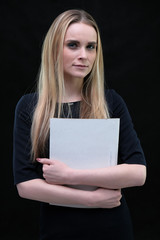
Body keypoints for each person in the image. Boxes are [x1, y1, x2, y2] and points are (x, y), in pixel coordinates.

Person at [13, 9, 146, 240]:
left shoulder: (110, 101)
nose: (84, 55)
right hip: (58, 229)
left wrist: (70, 175)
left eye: (91, 47)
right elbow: (25, 185)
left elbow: (138, 173)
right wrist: (91, 199)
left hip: (112, 228)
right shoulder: (29, 106)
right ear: (54, 49)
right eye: (73, 45)